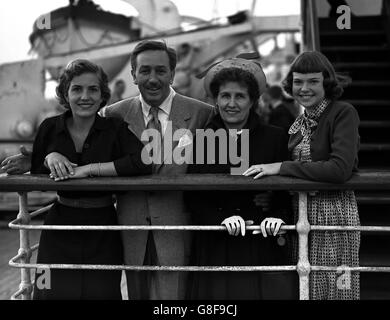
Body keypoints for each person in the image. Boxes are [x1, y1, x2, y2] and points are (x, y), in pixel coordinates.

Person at [26, 59, 150, 299]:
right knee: (48, 291)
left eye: (93, 89)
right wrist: (49, 156)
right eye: (77, 89)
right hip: (58, 228)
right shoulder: (49, 128)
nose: (85, 96)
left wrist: (90, 169)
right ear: (65, 93)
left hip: (102, 229)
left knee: (101, 293)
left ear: (102, 94)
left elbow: (143, 161)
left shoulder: (114, 128)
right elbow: (38, 166)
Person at [101, 40, 213, 299]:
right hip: (131, 230)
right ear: (133, 75)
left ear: (172, 73)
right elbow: (84, 153)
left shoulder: (202, 114)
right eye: (145, 71)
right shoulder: (112, 115)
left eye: (161, 71)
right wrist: (39, 158)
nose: (153, 79)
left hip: (178, 228)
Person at [243, 51, 360, 300]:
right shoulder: (299, 121)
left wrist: (281, 167)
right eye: (298, 82)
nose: (304, 88)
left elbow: (339, 169)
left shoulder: (342, 113)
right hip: (301, 213)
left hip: (333, 215)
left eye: (313, 81)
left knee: (336, 286)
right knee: (305, 285)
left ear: (326, 83)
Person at [185, 57, 298, 300]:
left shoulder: (275, 137)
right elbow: (192, 195)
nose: (231, 103)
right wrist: (221, 218)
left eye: (240, 96)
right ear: (216, 100)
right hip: (215, 242)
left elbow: (285, 194)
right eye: (225, 96)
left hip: (260, 241)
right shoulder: (203, 138)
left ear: (253, 101)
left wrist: (276, 216)